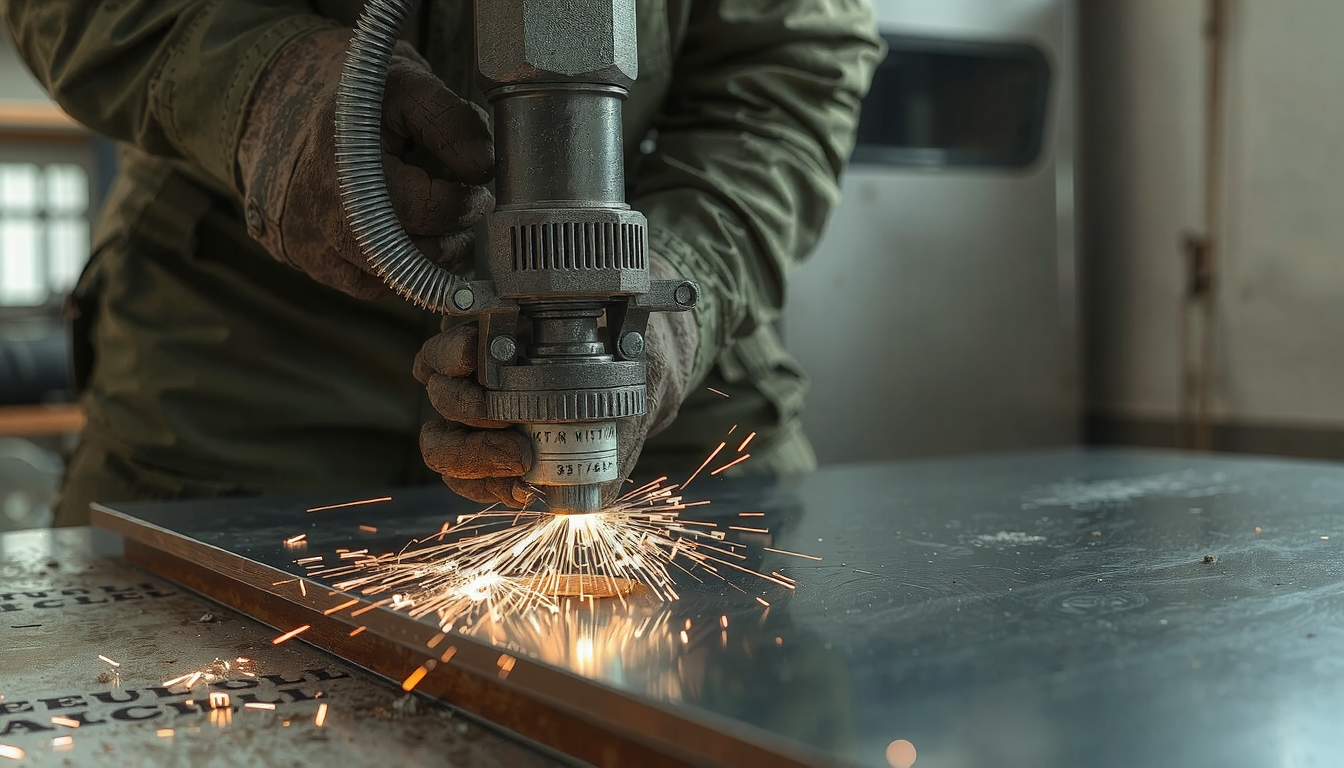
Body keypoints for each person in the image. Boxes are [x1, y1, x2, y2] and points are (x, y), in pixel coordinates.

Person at [2, 1, 882, 525]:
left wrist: (683, 287)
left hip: (643, 296)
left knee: (743, 686)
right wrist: (257, 94)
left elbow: (791, 68)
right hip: (241, 340)